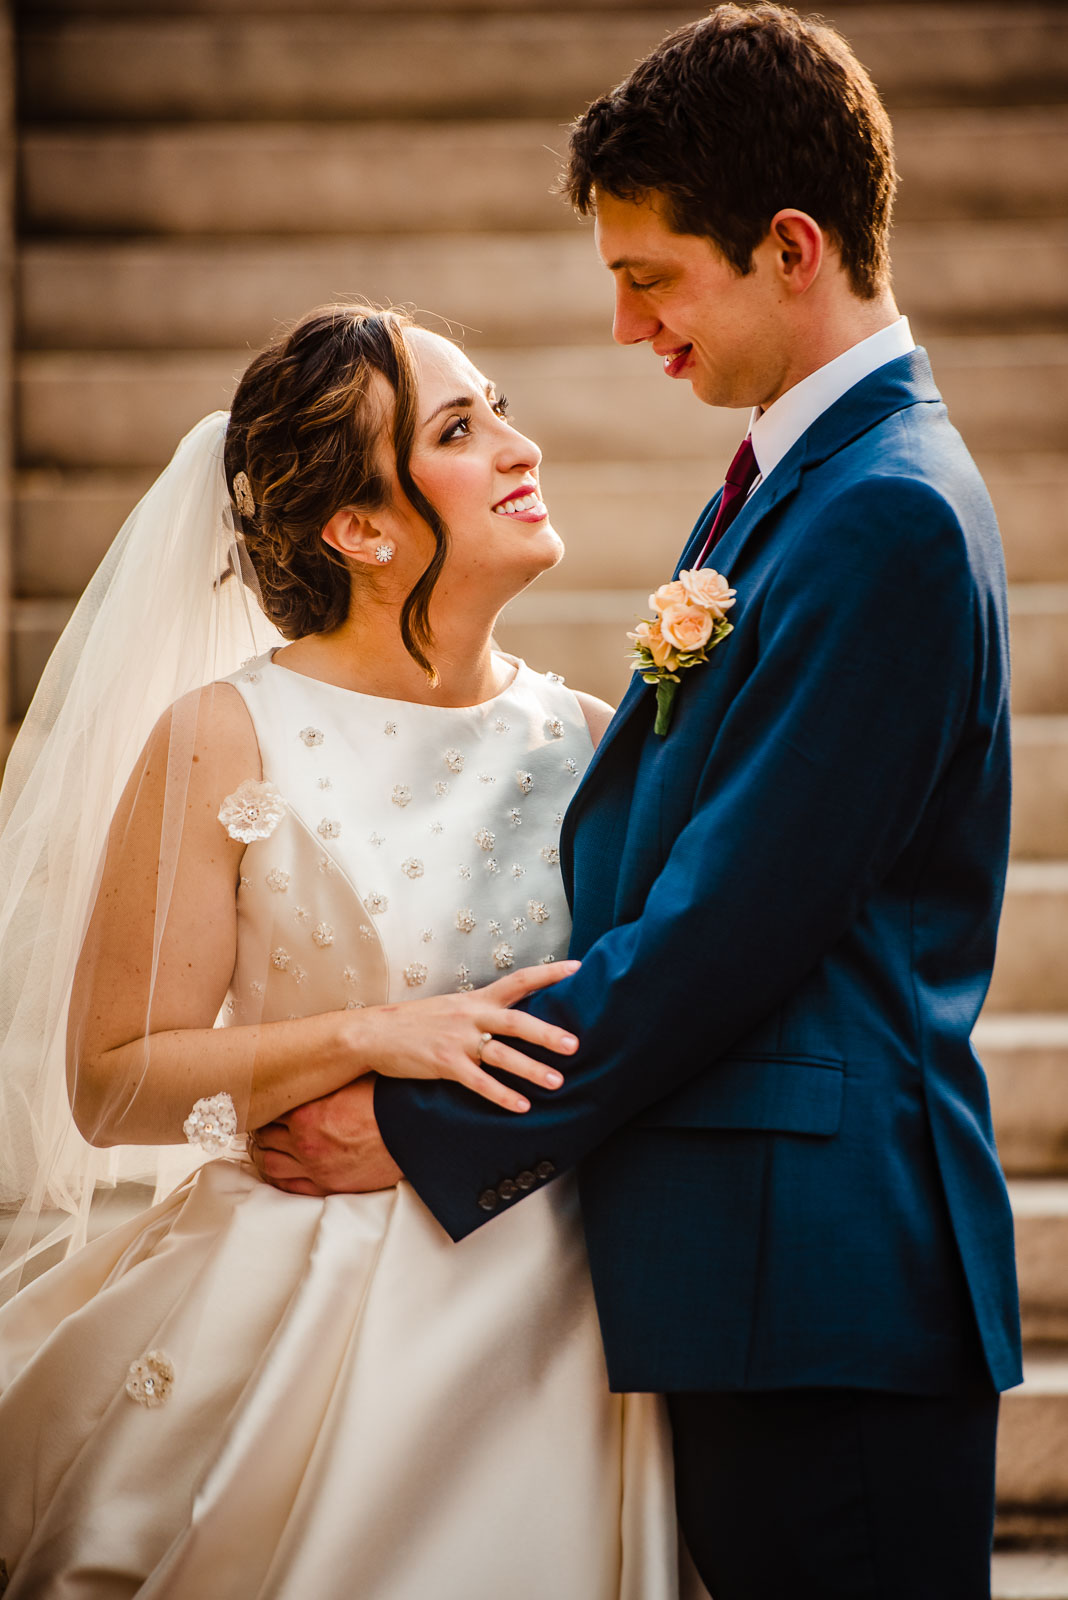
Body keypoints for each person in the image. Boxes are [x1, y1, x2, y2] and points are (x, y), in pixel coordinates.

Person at [257, 8, 1023, 1598]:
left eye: (652, 275)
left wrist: (420, 1118)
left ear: (791, 247)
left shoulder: (884, 514)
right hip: (764, 1268)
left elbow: (727, 929)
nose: (624, 328)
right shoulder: (803, 476)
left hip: (828, 1287)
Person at [0, 306, 682, 1597]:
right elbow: (108, 1086)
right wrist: (368, 1037)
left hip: (554, 1316)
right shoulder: (222, 737)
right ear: (360, 530)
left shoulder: (592, 735)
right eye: (462, 428)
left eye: (499, 407)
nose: (520, 446)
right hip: (303, 1289)